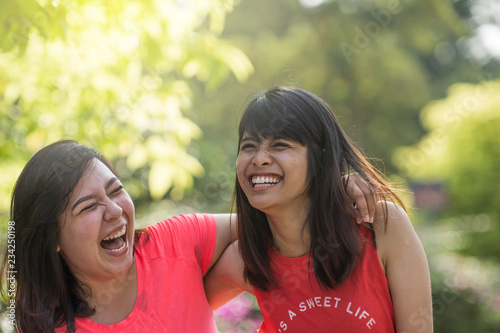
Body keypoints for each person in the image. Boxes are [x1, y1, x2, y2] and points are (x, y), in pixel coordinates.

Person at [0, 139, 375, 332]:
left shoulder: (175, 242)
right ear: (52, 239)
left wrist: (334, 190)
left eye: (115, 191)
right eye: (87, 207)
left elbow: (275, 218)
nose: (114, 211)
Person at [204, 86, 433, 332]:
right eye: (249, 146)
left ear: (320, 159)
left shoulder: (380, 226)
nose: (259, 159)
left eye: (280, 144)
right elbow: (178, 306)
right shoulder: (246, 257)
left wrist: (332, 190)